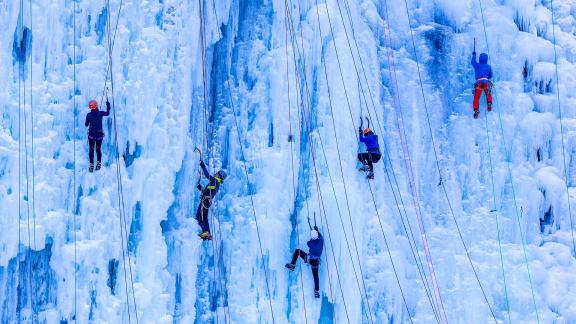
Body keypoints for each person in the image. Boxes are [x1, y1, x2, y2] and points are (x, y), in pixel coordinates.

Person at [285, 226, 324, 298]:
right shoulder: (321, 240)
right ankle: (316, 291)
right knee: (315, 276)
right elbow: (320, 236)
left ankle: (292, 265)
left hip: (309, 259)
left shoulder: (311, 243)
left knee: (297, 251)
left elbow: (308, 243)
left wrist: (314, 233)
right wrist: (317, 230)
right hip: (316, 262)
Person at [196, 159, 227, 240]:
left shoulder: (215, 181)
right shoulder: (216, 184)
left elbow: (207, 176)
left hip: (205, 201)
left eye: (217, 173)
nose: (215, 174)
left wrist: (203, 166)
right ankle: (208, 233)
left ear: (219, 175)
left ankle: (205, 232)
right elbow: (208, 192)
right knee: (204, 217)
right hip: (207, 201)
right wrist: (201, 189)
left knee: (199, 216)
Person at [85, 99, 110, 172]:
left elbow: (86, 125)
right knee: (98, 149)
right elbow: (107, 113)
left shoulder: (88, 115)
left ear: (90, 107)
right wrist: (108, 105)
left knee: (91, 150)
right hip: (99, 136)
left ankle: (91, 164)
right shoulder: (100, 113)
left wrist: (90, 122)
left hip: (91, 136)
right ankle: (98, 163)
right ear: (96, 106)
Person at [471, 52, 493, 119]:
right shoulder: (489, 67)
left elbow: (473, 62)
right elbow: (490, 75)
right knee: (488, 93)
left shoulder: (477, 65)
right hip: (486, 82)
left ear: (480, 58)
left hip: (478, 83)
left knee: (476, 97)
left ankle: (476, 110)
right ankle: (489, 103)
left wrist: (474, 55)